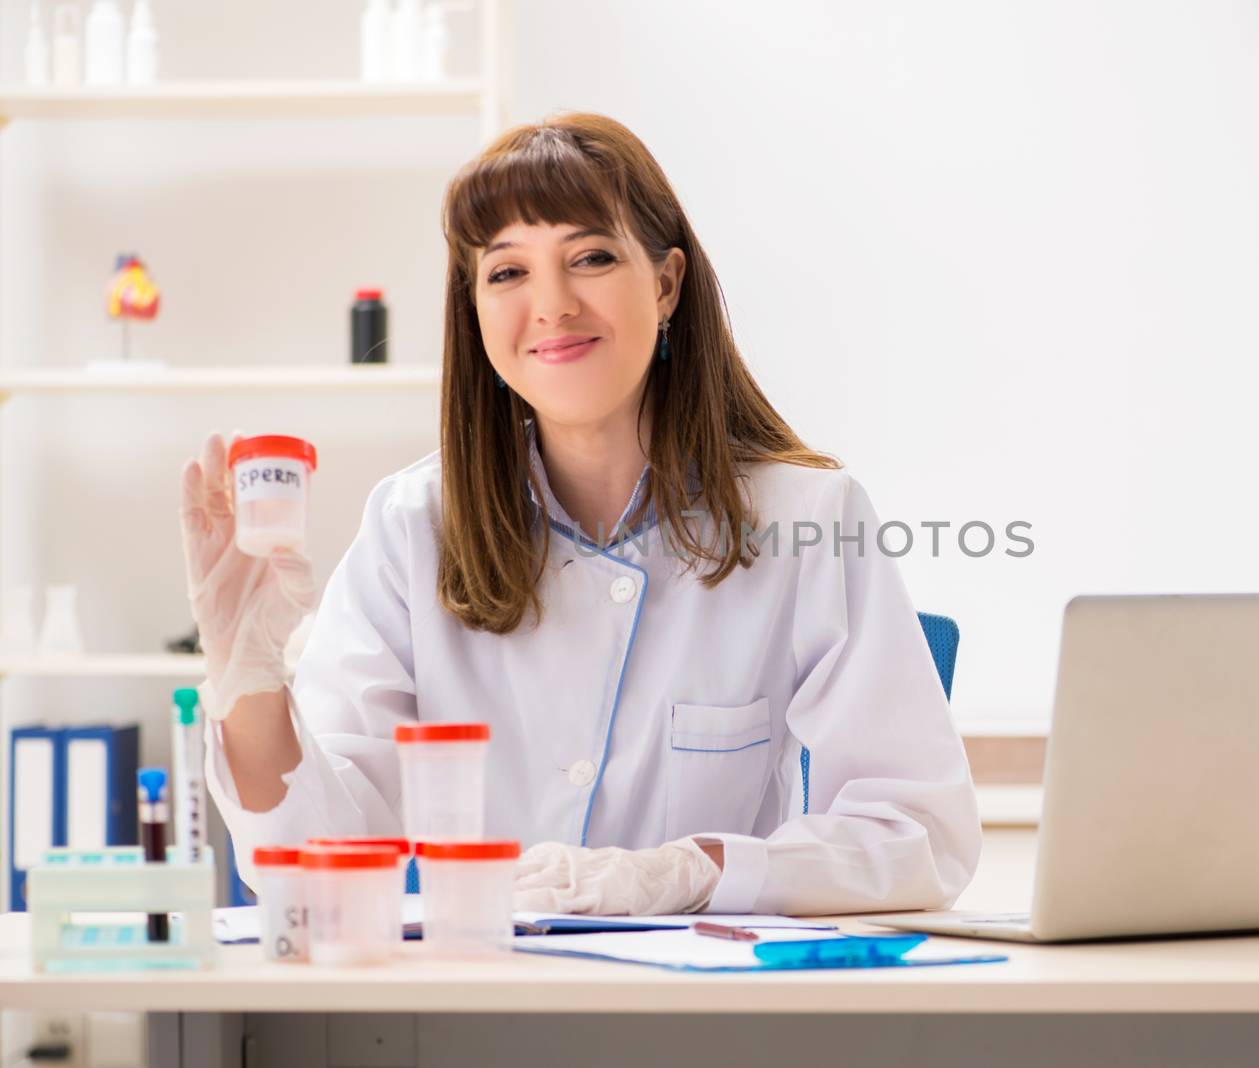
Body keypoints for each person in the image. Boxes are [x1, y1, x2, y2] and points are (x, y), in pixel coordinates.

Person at [180, 113, 979, 916]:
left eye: (590, 257)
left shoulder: (810, 518)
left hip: (696, 1015)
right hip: (480, 998)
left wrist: (693, 870)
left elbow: (920, 837)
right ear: (476, 309)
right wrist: (248, 682)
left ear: (666, 284)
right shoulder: (410, 526)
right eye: (506, 273)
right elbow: (313, 870)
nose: (551, 304)